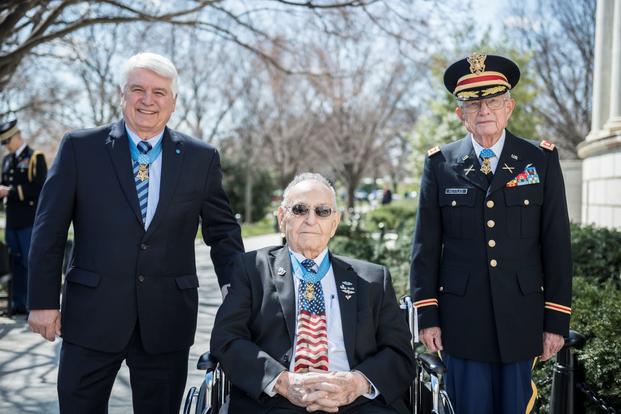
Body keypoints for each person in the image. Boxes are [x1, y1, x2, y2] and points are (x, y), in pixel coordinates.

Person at [27, 52, 244, 414]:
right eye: (138, 89)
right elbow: (48, 228)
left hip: (167, 319)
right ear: (121, 95)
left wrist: (236, 291)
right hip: (91, 318)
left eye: (160, 92)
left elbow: (223, 233)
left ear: (173, 102)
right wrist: (42, 301)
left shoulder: (200, 158)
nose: (148, 100)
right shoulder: (81, 148)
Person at [410, 53, 572, 414]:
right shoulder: (441, 164)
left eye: (494, 101)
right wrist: (428, 315)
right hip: (461, 321)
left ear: (509, 107)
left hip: (521, 318)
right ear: (460, 114)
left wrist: (556, 320)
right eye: (474, 103)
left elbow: (557, 245)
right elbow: (425, 247)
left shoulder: (539, 160)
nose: (485, 110)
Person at [211, 173, 415, 414]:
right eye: (299, 210)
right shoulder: (251, 269)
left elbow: (400, 353)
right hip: (276, 401)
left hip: (357, 402)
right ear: (281, 217)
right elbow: (227, 339)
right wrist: (283, 382)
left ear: (335, 223)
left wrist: (357, 383)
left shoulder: (372, 279)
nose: (310, 220)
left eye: (322, 211)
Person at [0, 119, 47, 315]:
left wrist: (9, 192)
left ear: (17, 137)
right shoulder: (7, 160)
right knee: (14, 263)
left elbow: (38, 187)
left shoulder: (35, 157)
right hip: (12, 221)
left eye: (7, 141)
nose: (5, 146)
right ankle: (17, 303)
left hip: (29, 220)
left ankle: (31, 304)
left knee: (29, 262)